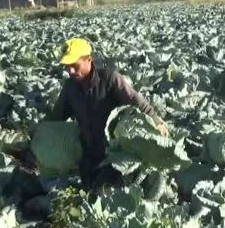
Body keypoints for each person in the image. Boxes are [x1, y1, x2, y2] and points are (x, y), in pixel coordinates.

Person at [47, 38, 168, 190]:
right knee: (88, 192)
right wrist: (39, 138)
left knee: (114, 192)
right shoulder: (70, 87)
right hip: (88, 152)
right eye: (67, 66)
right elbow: (56, 118)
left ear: (88, 60)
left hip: (116, 155)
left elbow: (137, 102)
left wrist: (157, 122)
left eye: (74, 66)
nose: (70, 71)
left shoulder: (110, 79)